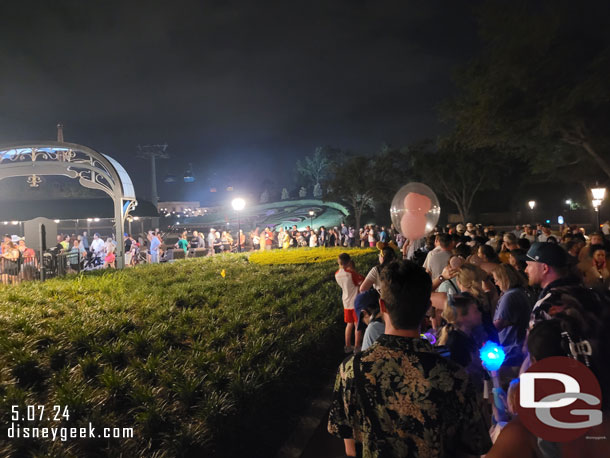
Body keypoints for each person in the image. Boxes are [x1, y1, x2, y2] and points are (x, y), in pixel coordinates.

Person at [328, 260, 492, 457]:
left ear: (382, 306)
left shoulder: (351, 370)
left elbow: (350, 446)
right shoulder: (454, 375)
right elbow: (476, 445)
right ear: (428, 308)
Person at [492, 263, 531, 367]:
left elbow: (498, 324)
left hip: (511, 350)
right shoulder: (519, 292)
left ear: (504, 279)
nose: (496, 283)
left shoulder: (510, 296)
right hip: (516, 349)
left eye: (497, 280)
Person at [335, 253, 365, 353]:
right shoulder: (351, 274)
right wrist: (354, 271)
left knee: (349, 324)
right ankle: (357, 347)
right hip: (356, 302)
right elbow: (363, 282)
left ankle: (347, 346)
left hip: (346, 302)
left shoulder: (336, 274)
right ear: (348, 261)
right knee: (357, 325)